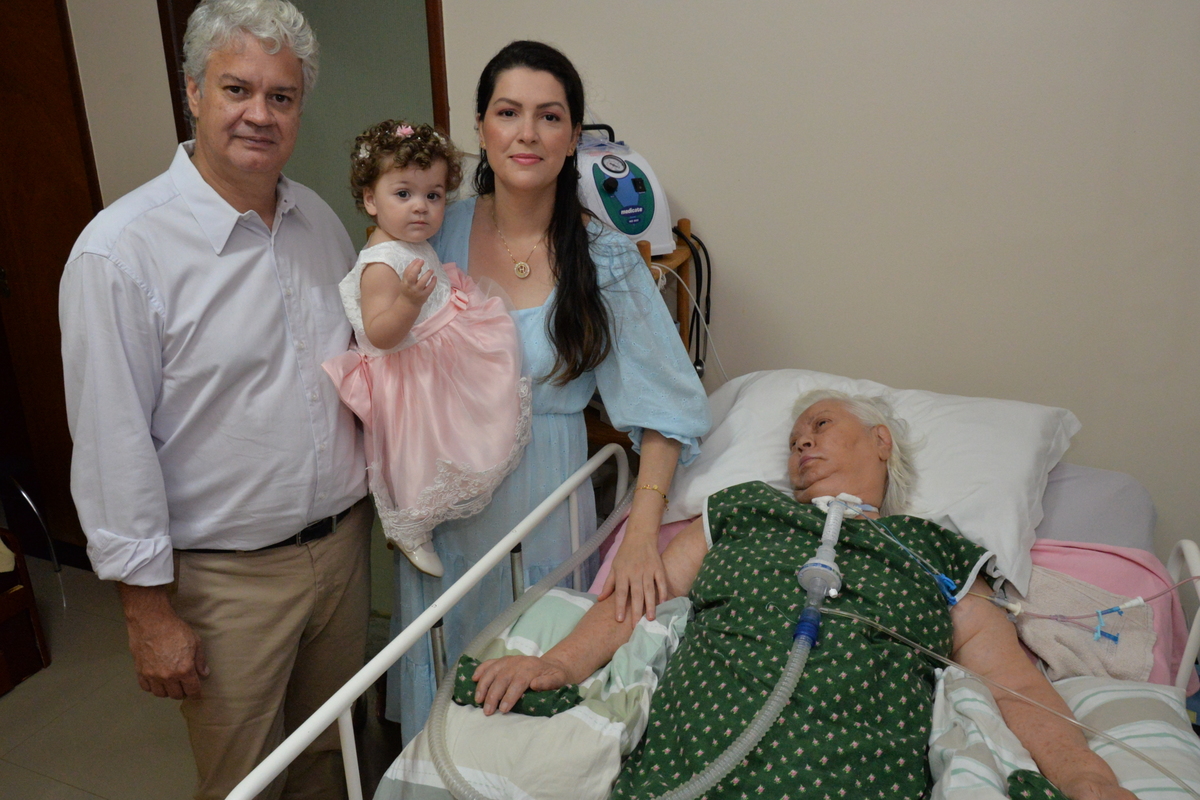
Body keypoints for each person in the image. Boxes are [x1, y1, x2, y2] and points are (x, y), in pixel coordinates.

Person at [469, 391, 1137, 800]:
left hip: (856, 775)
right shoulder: (745, 511)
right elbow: (638, 597)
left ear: (881, 442)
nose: (802, 444)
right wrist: (557, 664)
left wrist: (1089, 779)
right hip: (693, 767)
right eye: (793, 441)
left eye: (819, 425)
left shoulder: (935, 552)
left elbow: (1013, 682)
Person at [58, 2, 371, 798]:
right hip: (227, 582)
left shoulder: (320, 223)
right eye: (237, 89)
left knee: (335, 759)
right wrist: (147, 611)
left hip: (342, 554)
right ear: (193, 92)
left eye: (281, 96)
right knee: (246, 781)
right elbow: (111, 443)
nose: (259, 115)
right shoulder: (120, 253)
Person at [387, 40, 711, 739]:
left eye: (549, 116)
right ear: (481, 128)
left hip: (543, 509)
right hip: (442, 516)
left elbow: (667, 412)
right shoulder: (432, 236)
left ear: (573, 139)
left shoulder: (604, 258)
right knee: (438, 709)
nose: (527, 133)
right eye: (508, 112)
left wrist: (640, 537)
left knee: (523, 707)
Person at [323, 120, 529, 578]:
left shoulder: (410, 244)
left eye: (433, 196)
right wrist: (408, 302)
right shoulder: (380, 262)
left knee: (453, 435)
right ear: (370, 200)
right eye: (404, 194)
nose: (421, 206)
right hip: (408, 375)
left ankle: (448, 494)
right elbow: (380, 333)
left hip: (434, 358)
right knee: (416, 454)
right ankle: (411, 524)